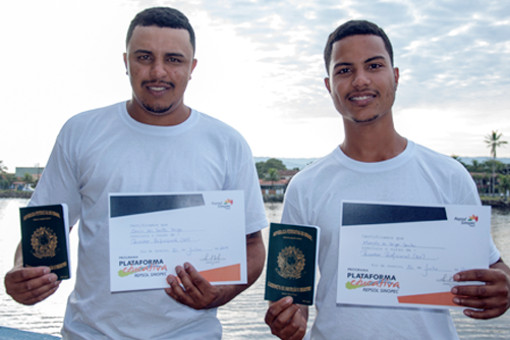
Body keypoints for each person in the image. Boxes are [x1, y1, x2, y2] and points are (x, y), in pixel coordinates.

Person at [4, 7, 267, 339]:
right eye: (144, 57)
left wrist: (222, 293)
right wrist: (23, 272)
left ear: (192, 68)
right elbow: (43, 229)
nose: (158, 71)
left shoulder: (227, 143)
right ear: (126, 61)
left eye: (173, 59)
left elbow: (252, 246)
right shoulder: (81, 132)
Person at [265, 20, 510, 340]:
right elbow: (291, 296)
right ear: (329, 86)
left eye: (374, 65)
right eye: (344, 70)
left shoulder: (449, 176)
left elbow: (491, 267)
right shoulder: (304, 186)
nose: (360, 80)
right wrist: (287, 318)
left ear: (395, 75)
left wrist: (502, 287)